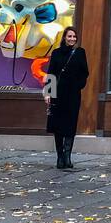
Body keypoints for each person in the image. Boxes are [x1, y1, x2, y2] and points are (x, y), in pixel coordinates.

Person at [44, 25, 89, 170]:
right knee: (58, 126)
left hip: (73, 94)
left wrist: (78, 85)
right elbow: (51, 73)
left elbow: (85, 73)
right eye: (69, 36)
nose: (72, 39)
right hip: (58, 93)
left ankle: (67, 156)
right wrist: (48, 93)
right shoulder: (56, 53)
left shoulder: (80, 52)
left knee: (70, 125)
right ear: (64, 37)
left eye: (74, 37)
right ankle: (59, 157)